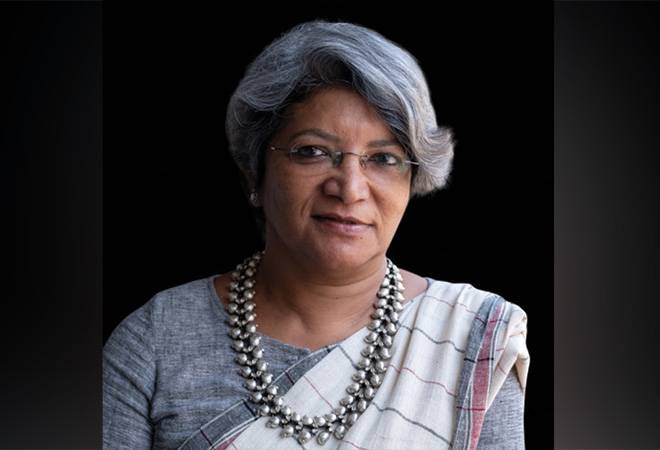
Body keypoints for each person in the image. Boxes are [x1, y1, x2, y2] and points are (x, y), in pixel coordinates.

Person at [103, 20, 529, 450]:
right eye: (313, 151)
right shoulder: (154, 343)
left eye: (383, 158)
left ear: (412, 180)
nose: (350, 188)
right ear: (254, 172)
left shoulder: (472, 341)